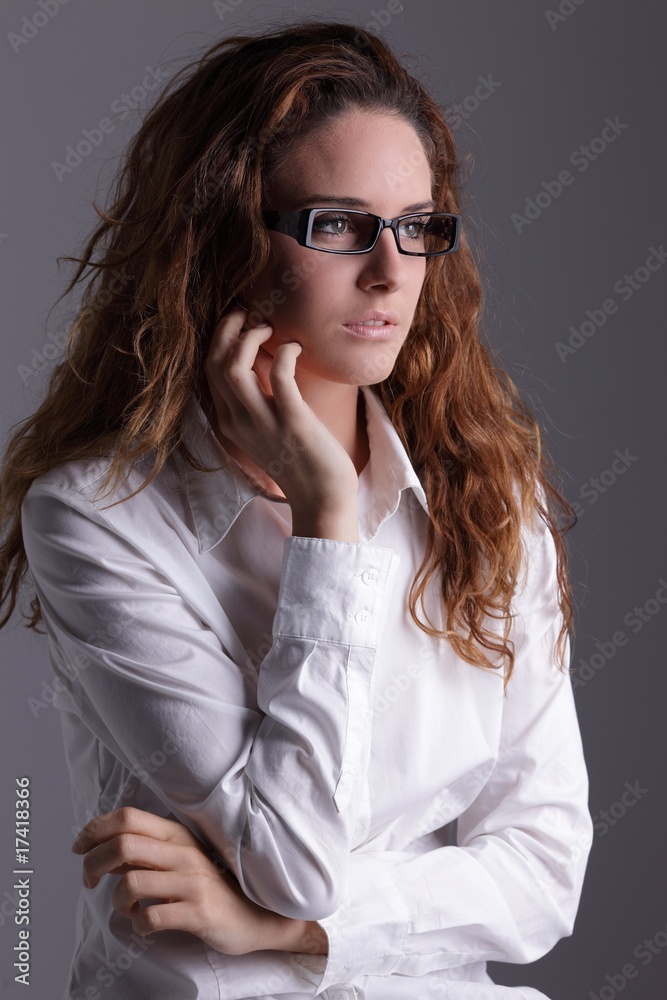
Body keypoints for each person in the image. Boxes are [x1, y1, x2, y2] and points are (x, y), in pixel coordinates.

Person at [0, 20, 593, 1000]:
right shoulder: (97, 522)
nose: (389, 270)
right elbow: (296, 859)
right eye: (337, 224)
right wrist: (328, 522)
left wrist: (280, 927)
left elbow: (542, 874)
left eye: (417, 225)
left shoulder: (488, 494)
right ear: (221, 240)